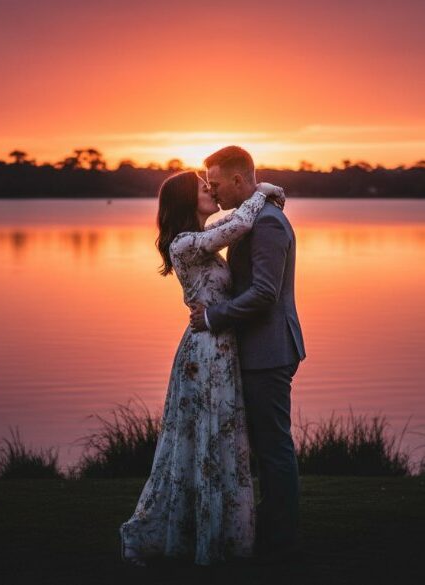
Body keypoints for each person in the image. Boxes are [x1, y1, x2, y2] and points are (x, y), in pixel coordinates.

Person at [119, 168, 286, 566]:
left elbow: (236, 220)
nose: (210, 189)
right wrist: (262, 190)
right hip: (205, 353)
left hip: (221, 347)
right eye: (201, 186)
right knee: (203, 440)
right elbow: (242, 221)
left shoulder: (203, 240)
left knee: (221, 439)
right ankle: (181, 534)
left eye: (210, 183)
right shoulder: (184, 245)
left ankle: (222, 534)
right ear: (184, 201)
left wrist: (259, 192)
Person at [190, 145, 307, 563]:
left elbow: (263, 294)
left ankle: (282, 540)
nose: (212, 190)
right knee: (261, 445)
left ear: (239, 180)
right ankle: (267, 527)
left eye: (217, 183)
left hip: (270, 350)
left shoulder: (270, 225)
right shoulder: (251, 218)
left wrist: (212, 318)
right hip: (256, 349)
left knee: (273, 447)